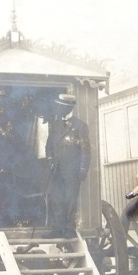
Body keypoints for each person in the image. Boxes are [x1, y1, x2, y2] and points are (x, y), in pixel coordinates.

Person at [44, 94, 90, 239]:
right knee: (55, 198)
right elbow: (48, 146)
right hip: (56, 170)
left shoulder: (80, 126)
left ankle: (68, 229)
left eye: (60, 106)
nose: (57, 109)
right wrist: (51, 159)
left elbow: (85, 149)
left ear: (67, 107)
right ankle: (57, 229)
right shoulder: (55, 125)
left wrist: (83, 169)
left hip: (72, 171)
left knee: (70, 199)